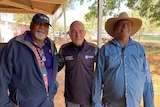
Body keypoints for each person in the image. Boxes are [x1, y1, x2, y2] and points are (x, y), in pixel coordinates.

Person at [92, 12, 154, 107]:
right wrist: (96, 104)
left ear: (131, 28)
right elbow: (98, 78)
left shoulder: (139, 49)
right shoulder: (105, 50)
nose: (125, 26)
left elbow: (147, 77)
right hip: (110, 104)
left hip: (134, 104)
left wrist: (149, 104)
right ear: (115, 28)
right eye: (121, 24)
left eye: (128, 24)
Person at [0, 13, 59, 107]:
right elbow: (2, 77)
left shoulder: (51, 46)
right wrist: (4, 104)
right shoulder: (15, 46)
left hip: (47, 103)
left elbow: (52, 70)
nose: (42, 28)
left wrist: (53, 88)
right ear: (31, 25)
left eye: (45, 25)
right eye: (38, 24)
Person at [58, 21, 98, 107]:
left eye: (80, 31)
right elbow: (55, 68)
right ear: (69, 34)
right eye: (74, 32)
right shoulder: (64, 49)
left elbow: (103, 70)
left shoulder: (94, 49)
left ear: (85, 33)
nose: (78, 35)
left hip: (89, 98)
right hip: (71, 99)